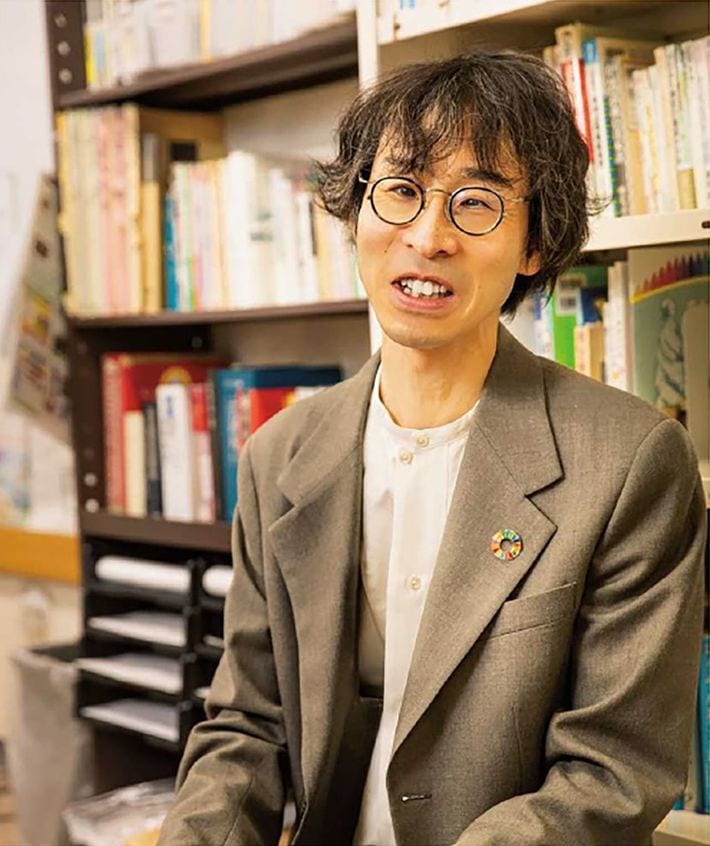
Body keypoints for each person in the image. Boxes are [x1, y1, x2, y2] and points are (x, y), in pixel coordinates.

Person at [157, 50, 706, 846]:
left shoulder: (629, 462)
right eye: (401, 190)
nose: (427, 235)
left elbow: (613, 771)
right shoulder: (280, 455)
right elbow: (247, 727)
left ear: (534, 244)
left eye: (475, 203)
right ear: (356, 211)